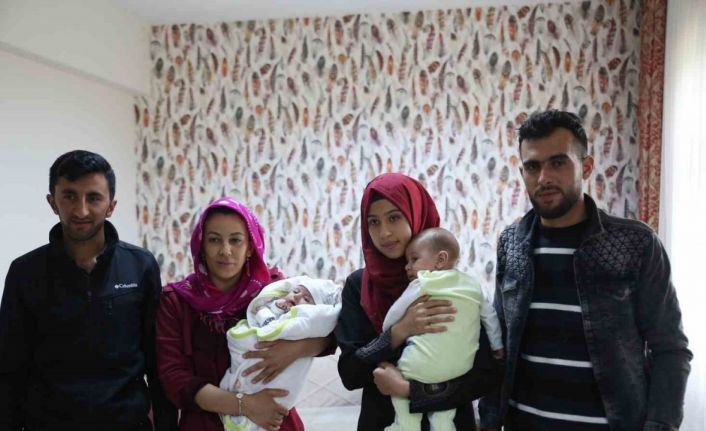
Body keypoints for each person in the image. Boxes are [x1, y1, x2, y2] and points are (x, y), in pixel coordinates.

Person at [479, 110, 692, 430]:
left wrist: (660, 425)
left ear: (586, 166)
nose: (544, 177)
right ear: (522, 172)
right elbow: (500, 346)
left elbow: (670, 349)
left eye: (558, 162)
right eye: (533, 166)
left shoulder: (635, 244)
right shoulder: (511, 243)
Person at [0, 150, 171, 431]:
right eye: (69, 196)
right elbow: (10, 370)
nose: (81, 210)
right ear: (52, 202)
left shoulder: (141, 266)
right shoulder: (24, 272)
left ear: (111, 205)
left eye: (93, 198)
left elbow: (157, 361)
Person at [335, 173, 501, 431]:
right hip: (381, 422)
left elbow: (484, 376)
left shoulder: (453, 284)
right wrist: (399, 331)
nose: (384, 232)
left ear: (416, 214)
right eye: (373, 222)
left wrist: (409, 390)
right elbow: (350, 373)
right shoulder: (359, 285)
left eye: (394, 217)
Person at [156, 197, 331, 431]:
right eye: (214, 240)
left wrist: (296, 349)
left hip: (273, 422)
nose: (225, 251)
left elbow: (329, 332)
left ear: (250, 246)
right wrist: (245, 405)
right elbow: (174, 378)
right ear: (201, 245)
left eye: (236, 240)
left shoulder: (274, 289)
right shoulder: (175, 301)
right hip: (206, 424)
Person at [381, 227, 504, 431]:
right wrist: (497, 345)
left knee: (400, 377)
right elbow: (490, 317)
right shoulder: (473, 285)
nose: (407, 267)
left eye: (414, 259)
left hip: (419, 366)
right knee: (445, 408)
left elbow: (396, 312)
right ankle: (443, 425)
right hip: (459, 369)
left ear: (440, 260)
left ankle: (406, 424)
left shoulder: (424, 281)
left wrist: (388, 330)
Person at [220, 276, 341, 431]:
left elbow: (327, 338)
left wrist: (298, 348)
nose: (297, 296)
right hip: (222, 401)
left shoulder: (302, 321)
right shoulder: (278, 301)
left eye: (306, 299)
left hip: (278, 402)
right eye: (296, 291)